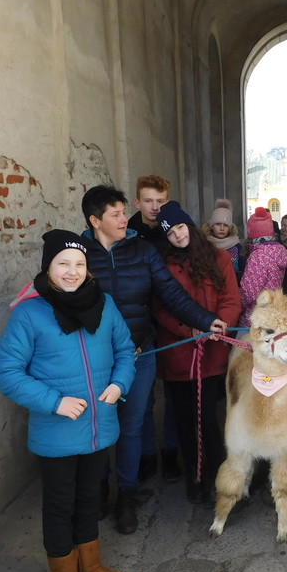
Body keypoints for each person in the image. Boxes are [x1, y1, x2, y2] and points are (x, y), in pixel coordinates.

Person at [0, 230, 135, 572]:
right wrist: (54, 402)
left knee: (90, 499)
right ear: (48, 267)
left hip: (98, 427)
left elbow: (125, 349)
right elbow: (6, 372)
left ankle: (89, 569)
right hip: (56, 434)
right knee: (59, 507)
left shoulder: (104, 305)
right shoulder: (30, 313)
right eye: (63, 264)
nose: (72, 272)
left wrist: (119, 383)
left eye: (79, 265)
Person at [79, 185, 227, 534]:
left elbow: (171, 295)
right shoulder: (80, 254)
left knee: (131, 427)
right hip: (95, 359)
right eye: (115, 214)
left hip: (139, 354)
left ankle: (126, 497)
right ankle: (99, 493)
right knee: (98, 429)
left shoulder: (143, 251)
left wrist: (204, 320)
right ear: (95, 220)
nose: (123, 219)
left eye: (122, 212)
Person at [153, 201, 242, 505]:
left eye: (179, 227)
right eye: (170, 233)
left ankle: (220, 476)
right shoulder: (163, 264)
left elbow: (231, 298)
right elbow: (160, 308)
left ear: (189, 225)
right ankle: (195, 473)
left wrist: (222, 326)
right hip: (179, 356)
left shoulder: (219, 259)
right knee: (184, 421)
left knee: (208, 420)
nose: (177, 236)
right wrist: (187, 330)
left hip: (212, 354)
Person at [127, 175, 174, 486]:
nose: (155, 207)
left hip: (171, 318)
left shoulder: (176, 228)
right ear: (138, 202)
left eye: (160, 201)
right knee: (141, 399)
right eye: (149, 201)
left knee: (173, 390)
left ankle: (171, 451)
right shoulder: (126, 233)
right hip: (141, 322)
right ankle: (146, 455)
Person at [239, 207, 287, 326]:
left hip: (256, 314)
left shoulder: (258, 256)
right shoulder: (279, 250)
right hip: (274, 310)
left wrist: (238, 305)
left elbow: (249, 292)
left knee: (242, 343)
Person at [201, 198, 245, 283]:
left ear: (230, 228)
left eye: (225, 225)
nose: (222, 228)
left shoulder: (237, 248)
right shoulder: (204, 246)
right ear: (211, 226)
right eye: (218, 224)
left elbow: (242, 272)